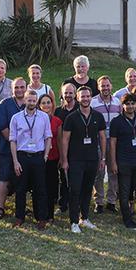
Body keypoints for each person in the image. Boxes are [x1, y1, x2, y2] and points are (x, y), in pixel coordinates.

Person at [61, 86, 106, 233]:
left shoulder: (98, 116)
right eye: (82, 97)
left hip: (92, 159)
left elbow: (102, 138)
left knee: (87, 189)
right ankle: (74, 222)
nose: (85, 99)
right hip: (75, 160)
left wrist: (103, 158)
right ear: (77, 98)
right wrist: (65, 160)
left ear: (91, 97)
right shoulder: (71, 117)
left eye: (88, 96)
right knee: (75, 190)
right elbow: (65, 140)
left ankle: (84, 218)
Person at [9, 89, 52, 230]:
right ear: (25, 100)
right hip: (22, 157)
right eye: (29, 100)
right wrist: (15, 161)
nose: (32, 103)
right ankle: (19, 217)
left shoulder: (44, 117)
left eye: (34, 100)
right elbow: (13, 140)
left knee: (40, 188)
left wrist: (45, 155)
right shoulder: (16, 118)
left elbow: (48, 137)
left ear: (37, 102)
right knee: (20, 189)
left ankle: (41, 218)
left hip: (38, 157)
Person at [109, 93, 136, 229]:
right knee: (125, 193)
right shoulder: (116, 121)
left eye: (132, 103)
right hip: (123, 161)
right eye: (127, 104)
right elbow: (113, 143)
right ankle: (127, 218)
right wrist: (113, 162)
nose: (130, 106)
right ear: (123, 105)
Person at [0, 77, 28, 219]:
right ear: (11, 89)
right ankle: (0, 207)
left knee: (23, 180)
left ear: (26, 88)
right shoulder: (5, 104)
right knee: (4, 177)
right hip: (7, 149)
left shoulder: (30, 103)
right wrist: (16, 144)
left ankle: (21, 207)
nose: (19, 90)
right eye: (16, 87)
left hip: (26, 150)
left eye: (22, 87)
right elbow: (2, 127)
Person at [91, 75, 120, 213]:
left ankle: (112, 201)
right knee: (99, 172)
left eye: (107, 85)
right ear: (98, 87)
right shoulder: (93, 103)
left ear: (111, 86)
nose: (105, 88)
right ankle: (99, 201)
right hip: (98, 141)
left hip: (114, 141)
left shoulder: (117, 102)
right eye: (102, 86)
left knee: (113, 171)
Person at [38, 94, 62, 222]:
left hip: (53, 158)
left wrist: (62, 158)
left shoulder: (57, 121)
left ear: (52, 104)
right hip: (39, 157)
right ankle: (40, 213)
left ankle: (50, 215)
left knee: (51, 186)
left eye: (48, 102)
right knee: (40, 186)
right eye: (43, 103)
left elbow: (59, 141)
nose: (46, 105)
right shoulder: (36, 119)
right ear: (39, 105)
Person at [54, 82, 77, 212]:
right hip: (62, 149)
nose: (68, 95)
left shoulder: (80, 109)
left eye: (70, 93)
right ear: (62, 94)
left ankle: (77, 203)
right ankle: (63, 204)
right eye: (66, 93)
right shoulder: (58, 111)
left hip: (78, 150)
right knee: (63, 178)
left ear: (75, 94)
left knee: (76, 178)